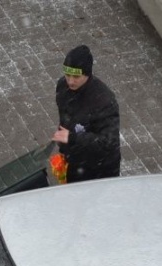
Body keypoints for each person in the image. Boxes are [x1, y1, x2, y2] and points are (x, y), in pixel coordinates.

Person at [51, 45, 121, 182]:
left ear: (87, 74)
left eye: (76, 76)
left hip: (100, 171)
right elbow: (65, 118)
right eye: (67, 75)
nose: (70, 81)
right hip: (75, 162)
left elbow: (108, 143)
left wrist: (72, 138)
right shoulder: (62, 86)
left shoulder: (104, 102)